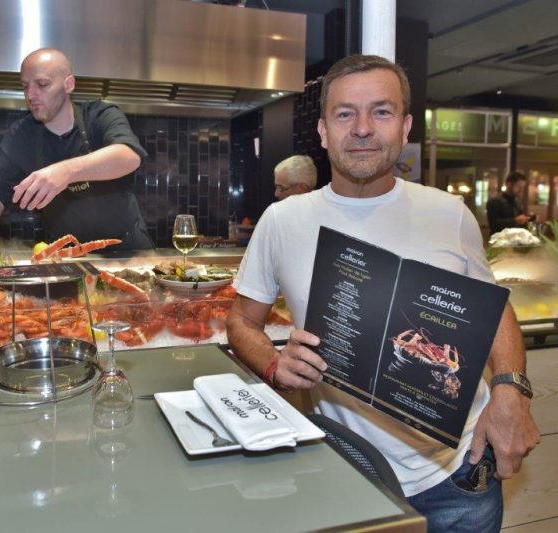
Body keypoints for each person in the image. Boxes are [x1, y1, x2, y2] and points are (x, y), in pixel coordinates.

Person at [226, 54, 539, 531]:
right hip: (345, 471)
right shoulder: (283, 220)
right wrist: (272, 361)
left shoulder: (449, 213)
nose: (363, 128)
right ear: (324, 131)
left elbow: (493, 311)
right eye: (345, 113)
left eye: (382, 111)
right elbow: (241, 321)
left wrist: (511, 390)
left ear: (406, 126)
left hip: (460, 474)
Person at [0, 48, 153, 249]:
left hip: (128, 252)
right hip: (66, 256)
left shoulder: (100, 115)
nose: (31, 95)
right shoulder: (21, 135)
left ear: (68, 84)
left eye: (42, 84)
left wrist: (65, 172)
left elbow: (129, 156)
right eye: (25, 86)